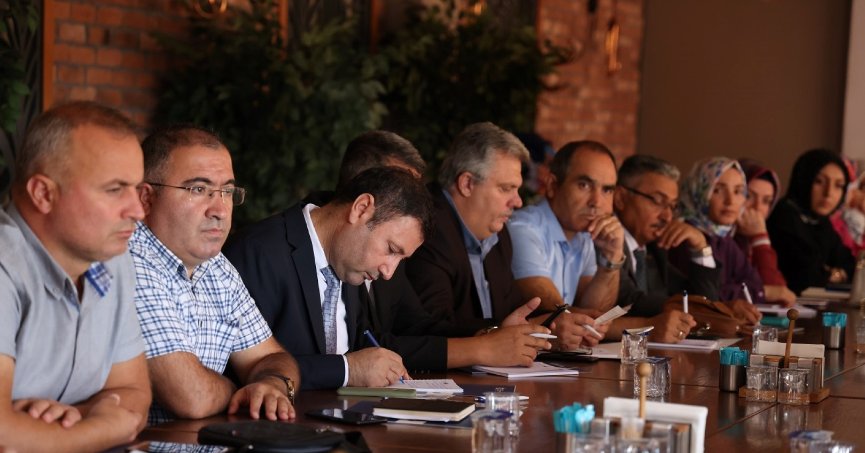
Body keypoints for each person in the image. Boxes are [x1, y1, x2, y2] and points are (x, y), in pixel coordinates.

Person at [320, 131, 552, 371]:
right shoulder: (344, 245)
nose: (418, 206)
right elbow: (361, 348)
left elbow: (418, 327)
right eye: (403, 192)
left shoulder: (392, 247)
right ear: (362, 199)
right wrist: (481, 348)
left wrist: (492, 334)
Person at [0, 101, 151, 451]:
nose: (138, 211)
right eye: (115, 189)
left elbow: (132, 394)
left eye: (136, 188)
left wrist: (70, 418)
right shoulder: (5, 265)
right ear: (44, 194)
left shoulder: (111, 261)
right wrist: (100, 430)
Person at [130, 125, 301, 425]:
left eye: (227, 192)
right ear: (147, 199)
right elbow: (190, 397)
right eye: (199, 189)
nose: (220, 210)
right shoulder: (130, 258)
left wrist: (271, 385)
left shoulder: (215, 266)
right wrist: (242, 393)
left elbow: (268, 357)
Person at [404, 123, 605, 351]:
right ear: (467, 184)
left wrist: (549, 327)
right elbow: (431, 329)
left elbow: (511, 314)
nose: (517, 202)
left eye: (517, 189)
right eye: (505, 188)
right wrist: (512, 332)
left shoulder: (499, 234)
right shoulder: (426, 227)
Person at [224, 166, 429, 389]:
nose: (389, 272)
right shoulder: (258, 252)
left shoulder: (350, 262)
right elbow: (246, 367)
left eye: (401, 259)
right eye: (391, 249)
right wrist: (347, 370)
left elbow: (359, 347)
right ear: (361, 209)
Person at [610, 155, 719, 343]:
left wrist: (701, 248)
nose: (667, 216)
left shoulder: (653, 249)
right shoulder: (605, 240)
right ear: (620, 198)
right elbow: (629, 301)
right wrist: (699, 309)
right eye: (658, 201)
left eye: (672, 206)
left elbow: (694, 297)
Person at [509, 140, 624, 314]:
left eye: (607, 190)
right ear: (552, 185)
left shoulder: (585, 236)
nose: (597, 202)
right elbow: (556, 317)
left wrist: (612, 258)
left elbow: (596, 314)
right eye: (584, 185)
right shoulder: (523, 230)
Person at [669, 157, 762, 324]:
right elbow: (699, 299)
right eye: (718, 190)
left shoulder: (724, 238)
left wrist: (725, 294)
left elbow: (756, 289)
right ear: (699, 191)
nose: (730, 201)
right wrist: (729, 300)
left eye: (738, 191)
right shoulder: (684, 236)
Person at [767, 149, 855, 294]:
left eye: (838, 186)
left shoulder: (821, 222)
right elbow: (806, 276)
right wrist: (834, 273)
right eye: (819, 182)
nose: (828, 193)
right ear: (804, 180)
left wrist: (831, 273)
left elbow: (852, 265)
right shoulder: (783, 217)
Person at [734, 159, 797, 306]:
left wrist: (760, 240)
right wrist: (760, 239)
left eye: (766, 201)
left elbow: (779, 292)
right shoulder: (720, 239)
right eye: (749, 196)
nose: (757, 207)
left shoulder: (751, 242)